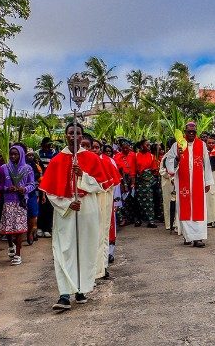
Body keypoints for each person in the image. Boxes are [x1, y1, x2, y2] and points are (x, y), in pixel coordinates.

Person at [40, 123, 109, 310]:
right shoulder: (56, 160)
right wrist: (67, 204)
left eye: (78, 133)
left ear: (82, 135)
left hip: (87, 209)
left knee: (85, 248)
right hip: (66, 212)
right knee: (64, 249)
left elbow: (102, 185)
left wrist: (83, 176)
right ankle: (63, 294)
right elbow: (50, 192)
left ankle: (81, 289)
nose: (74, 136)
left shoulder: (92, 158)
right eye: (71, 133)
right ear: (65, 136)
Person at [165, 122, 213, 247]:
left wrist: (208, 182)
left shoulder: (201, 145)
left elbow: (206, 164)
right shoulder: (177, 145)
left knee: (198, 208)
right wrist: (176, 159)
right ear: (185, 132)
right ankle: (188, 236)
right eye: (189, 131)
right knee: (185, 208)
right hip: (183, 182)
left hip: (198, 182)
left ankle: (198, 238)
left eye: (193, 131)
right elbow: (169, 161)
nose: (191, 133)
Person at [0, 145, 36, 266]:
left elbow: (32, 184)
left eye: (16, 154)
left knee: (19, 229)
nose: (13, 156)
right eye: (11, 154)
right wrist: (6, 188)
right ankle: (11, 245)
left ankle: (18, 254)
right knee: (9, 227)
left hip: (21, 201)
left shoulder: (27, 168)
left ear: (21, 155)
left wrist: (24, 189)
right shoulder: (4, 168)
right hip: (8, 201)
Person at [92, 139, 120, 279]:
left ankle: (102, 266)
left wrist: (116, 202)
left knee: (104, 234)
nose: (95, 150)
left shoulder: (109, 161)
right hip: (89, 203)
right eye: (92, 147)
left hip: (105, 201)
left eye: (97, 147)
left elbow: (115, 184)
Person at [134, 139, 157, 228]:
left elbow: (154, 170)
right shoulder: (136, 156)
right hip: (139, 181)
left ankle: (151, 221)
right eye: (147, 145)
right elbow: (133, 169)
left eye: (149, 145)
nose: (149, 146)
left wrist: (151, 180)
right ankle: (138, 219)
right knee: (138, 200)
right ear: (141, 146)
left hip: (148, 181)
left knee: (149, 200)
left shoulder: (151, 156)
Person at [113, 140, 136, 226]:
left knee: (132, 199)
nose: (126, 149)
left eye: (128, 148)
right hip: (121, 180)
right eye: (124, 148)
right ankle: (123, 219)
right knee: (122, 200)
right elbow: (117, 169)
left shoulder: (133, 155)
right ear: (120, 148)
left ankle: (132, 218)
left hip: (132, 178)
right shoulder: (117, 156)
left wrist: (133, 181)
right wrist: (122, 182)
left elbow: (134, 168)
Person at [37, 137, 56, 238]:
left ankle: (47, 228)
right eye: (46, 145)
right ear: (42, 145)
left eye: (49, 145)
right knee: (40, 205)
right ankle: (40, 227)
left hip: (51, 182)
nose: (48, 147)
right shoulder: (37, 154)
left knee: (49, 206)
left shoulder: (54, 153)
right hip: (40, 182)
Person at [25, 150, 43, 244]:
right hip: (22, 192)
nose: (30, 157)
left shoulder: (36, 166)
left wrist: (43, 194)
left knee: (33, 213)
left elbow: (41, 180)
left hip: (34, 191)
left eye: (32, 155)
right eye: (29, 155)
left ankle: (32, 232)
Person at [160, 138, 176, 230]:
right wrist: (170, 175)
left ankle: (177, 223)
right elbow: (162, 171)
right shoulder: (166, 156)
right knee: (168, 203)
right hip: (168, 184)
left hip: (177, 183)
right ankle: (169, 224)